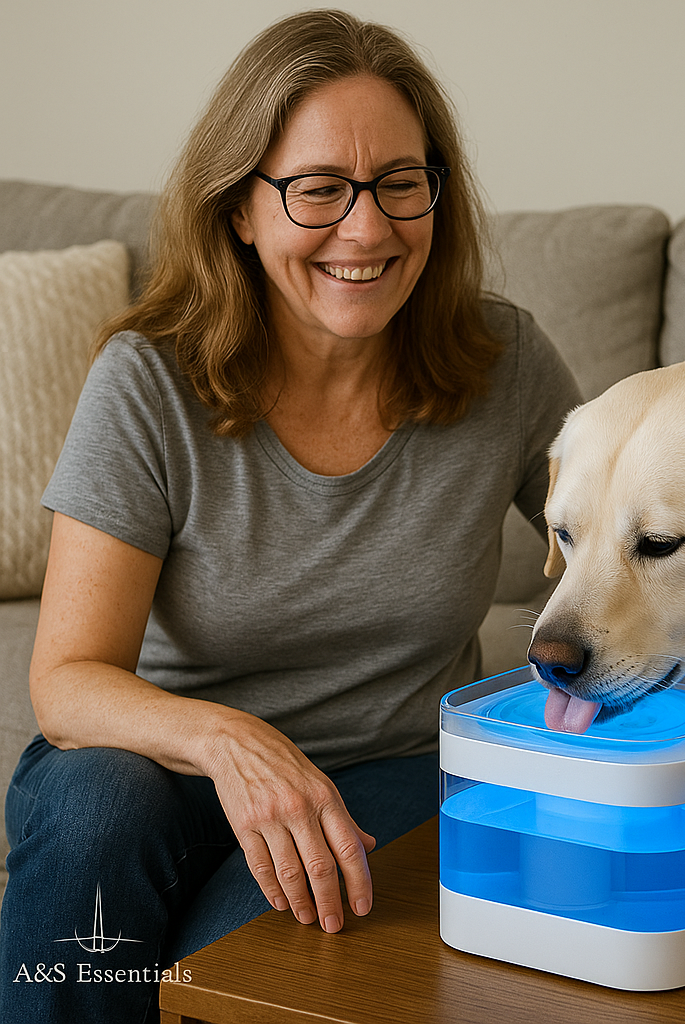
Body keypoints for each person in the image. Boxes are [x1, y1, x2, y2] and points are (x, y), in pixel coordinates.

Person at [0, 10, 580, 1022]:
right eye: (318, 189)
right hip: (165, 767)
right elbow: (66, 681)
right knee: (97, 808)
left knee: (227, 968)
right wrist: (233, 744)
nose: (367, 228)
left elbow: (627, 535)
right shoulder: (149, 379)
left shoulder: (506, 362)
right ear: (240, 209)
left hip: (390, 773)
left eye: (401, 182)